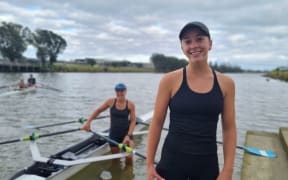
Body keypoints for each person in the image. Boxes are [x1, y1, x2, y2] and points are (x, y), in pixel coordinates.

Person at [146, 21, 237, 180]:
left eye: (200, 39)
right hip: (171, 163)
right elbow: (157, 122)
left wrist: (227, 171)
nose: (194, 45)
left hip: (206, 165)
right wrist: (149, 164)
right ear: (182, 48)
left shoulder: (226, 84)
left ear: (210, 44)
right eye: (188, 41)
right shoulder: (169, 80)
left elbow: (229, 128)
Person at [81, 83, 136, 165]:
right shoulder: (110, 102)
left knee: (129, 160)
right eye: (118, 91)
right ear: (115, 91)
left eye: (122, 91)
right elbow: (98, 111)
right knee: (116, 160)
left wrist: (128, 135)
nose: (120, 93)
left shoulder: (130, 104)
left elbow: (133, 121)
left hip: (126, 135)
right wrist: (88, 122)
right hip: (114, 136)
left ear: (125, 91)